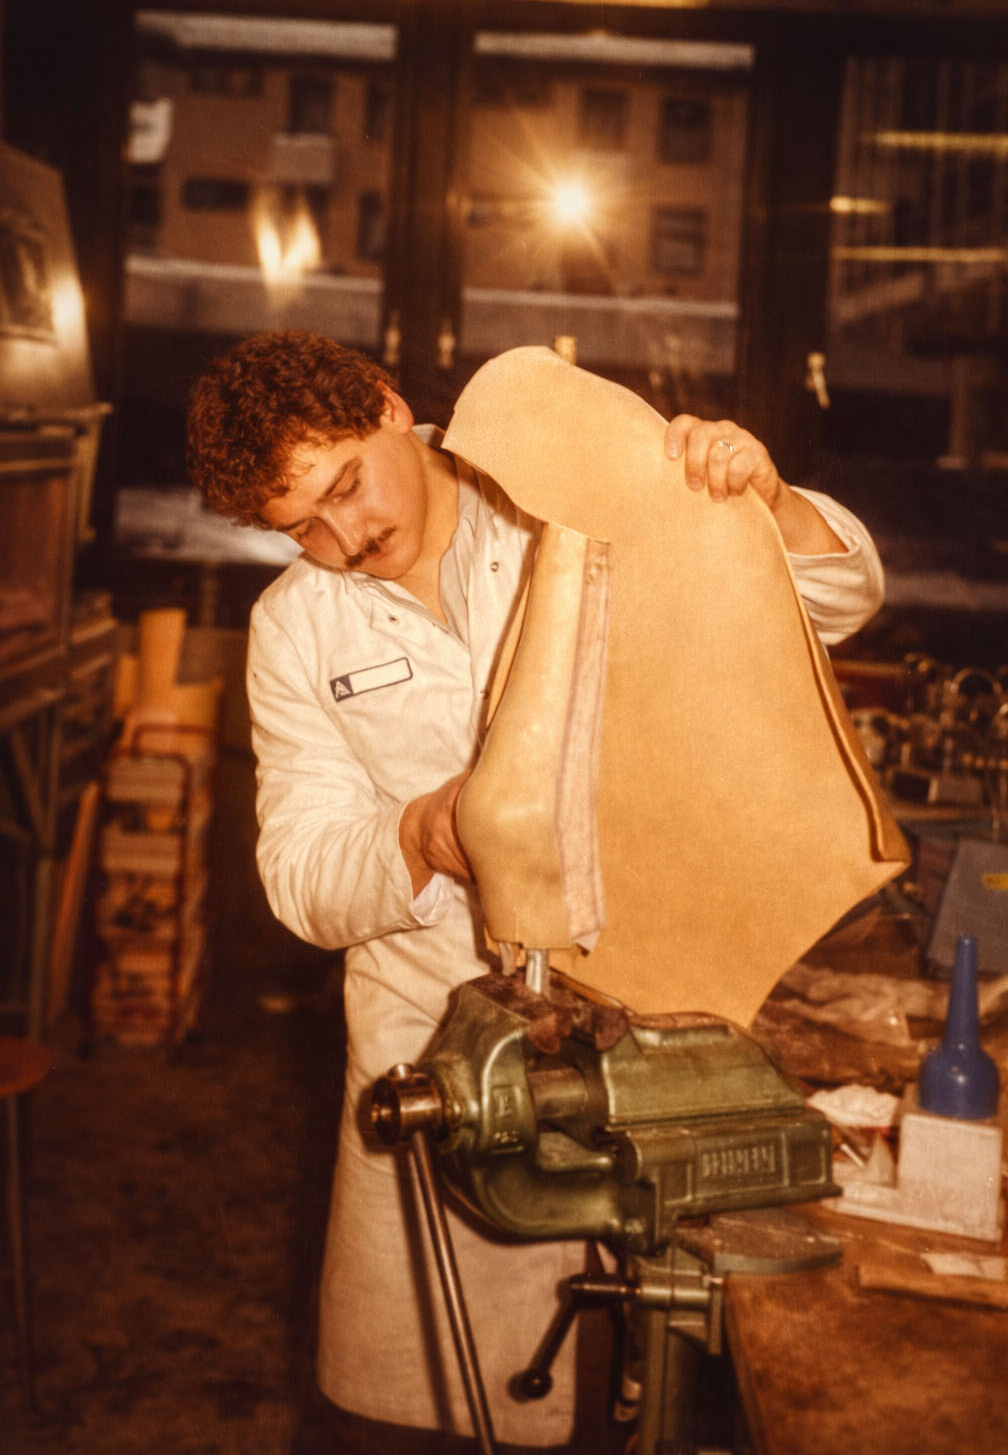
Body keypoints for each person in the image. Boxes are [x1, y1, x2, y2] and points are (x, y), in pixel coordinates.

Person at [186, 330, 885, 1453]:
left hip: (657, 1021)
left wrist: (763, 497)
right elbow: (301, 880)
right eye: (299, 529)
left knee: (650, 1385)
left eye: (345, 488)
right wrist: (424, 832)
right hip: (444, 1053)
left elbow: (840, 596)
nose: (342, 539)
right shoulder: (294, 629)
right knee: (426, 1412)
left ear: (387, 406)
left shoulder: (560, 494)